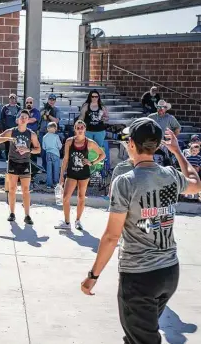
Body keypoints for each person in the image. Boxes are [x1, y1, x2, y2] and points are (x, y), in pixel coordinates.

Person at [81, 120, 201, 344]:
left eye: (128, 141)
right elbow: (196, 183)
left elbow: (111, 236)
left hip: (139, 277)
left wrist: (93, 275)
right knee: (140, 335)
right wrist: (177, 152)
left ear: (133, 146)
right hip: (169, 272)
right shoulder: (170, 175)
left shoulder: (125, 182)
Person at [55, 120, 105, 231]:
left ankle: (78, 221)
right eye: (78, 127)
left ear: (85, 129)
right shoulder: (69, 141)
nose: (80, 129)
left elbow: (102, 155)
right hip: (71, 173)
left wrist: (92, 163)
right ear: (75, 129)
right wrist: (61, 175)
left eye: (82, 127)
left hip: (84, 174)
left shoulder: (90, 142)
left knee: (81, 197)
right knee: (65, 197)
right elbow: (66, 159)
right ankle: (67, 222)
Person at [0, 110, 41, 224]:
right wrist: (8, 139)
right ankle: (12, 213)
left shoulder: (31, 134)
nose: (23, 119)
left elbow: (38, 149)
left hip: (25, 162)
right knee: (12, 189)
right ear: (17, 119)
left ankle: (27, 215)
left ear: (28, 120)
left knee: (25, 190)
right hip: (13, 162)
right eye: (21, 117)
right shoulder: (11, 131)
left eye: (26, 117)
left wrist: (28, 149)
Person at [39, 94, 60, 167]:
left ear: (55, 101)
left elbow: (56, 121)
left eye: (53, 100)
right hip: (42, 132)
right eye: (50, 99)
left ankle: (51, 166)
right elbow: (39, 117)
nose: (51, 101)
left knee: (51, 150)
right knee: (43, 150)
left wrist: (48, 115)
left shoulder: (56, 110)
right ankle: (44, 166)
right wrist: (44, 111)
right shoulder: (43, 108)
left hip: (52, 133)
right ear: (48, 100)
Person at [0, 94, 22, 159]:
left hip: (16, 130)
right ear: (9, 99)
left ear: (15, 99)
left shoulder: (19, 108)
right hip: (7, 129)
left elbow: (21, 118)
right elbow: (1, 118)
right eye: (11, 98)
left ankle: (15, 158)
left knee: (16, 143)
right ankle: (7, 158)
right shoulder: (5, 108)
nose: (12, 100)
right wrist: (2, 128)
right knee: (7, 144)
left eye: (13, 98)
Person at [42, 122, 62, 189]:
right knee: (56, 169)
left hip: (48, 154)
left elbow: (43, 147)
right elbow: (59, 146)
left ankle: (49, 184)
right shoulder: (56, 136)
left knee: (49, 169)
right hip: (55, 154)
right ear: (55, 129)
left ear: (47, 128)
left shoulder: (44, 137)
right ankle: (56, 183)